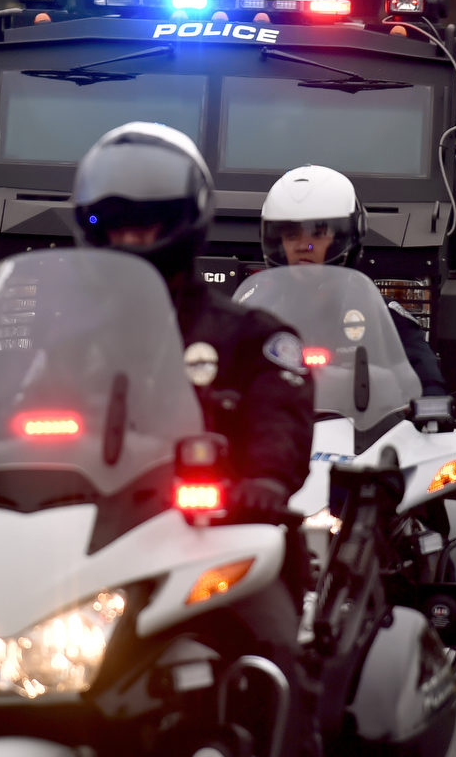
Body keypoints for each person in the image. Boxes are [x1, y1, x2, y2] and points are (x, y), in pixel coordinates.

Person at [72, 121, 321, 757]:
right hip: (84, 542)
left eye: (148, 222)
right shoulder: (71, 340)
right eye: (117, 222)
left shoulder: (252, 337)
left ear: (184, 222)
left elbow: (281, 424)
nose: (132, 236)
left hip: (215, 540)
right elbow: (11, 415)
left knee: (274, 656)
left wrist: (263, 482)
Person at [261, 164, 448, 396]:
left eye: (317, 235)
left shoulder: (380, 314)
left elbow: (423, 375)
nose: (303, 246)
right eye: (291, 235)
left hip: (361, 431)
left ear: (346, 238)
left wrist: (432, 404)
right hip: (275, 431)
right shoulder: (258, 314)